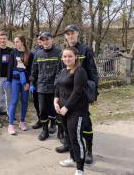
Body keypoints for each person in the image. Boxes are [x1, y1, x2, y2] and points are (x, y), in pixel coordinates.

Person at [55, 24, 98, 165]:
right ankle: (70, 146)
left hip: (81, 94)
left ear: (77, 34)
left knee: (85, 123)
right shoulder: (65, 52)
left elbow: (92, 71)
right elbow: (61, 73)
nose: (70, 36)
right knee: (66, 122)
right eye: (67, 34)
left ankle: (88, 151)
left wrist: (94, 92)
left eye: (72, 33)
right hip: (66, 94)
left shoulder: (86, 49)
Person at [55, 46, 88, 175]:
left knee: (76, 138)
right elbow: (58, 88)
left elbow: (77, 92)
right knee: (68, 136)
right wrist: (55, 101)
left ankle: (80, 169)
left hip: (77, 111)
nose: (67, 58)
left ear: (75, 57)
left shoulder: (80, 71)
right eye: (65, 56)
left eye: (70, 56)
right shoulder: (63, 71)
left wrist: (66, 107)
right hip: (62, 110)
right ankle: (72, 158)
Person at [30, 32, 62, 140]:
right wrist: (32, 83)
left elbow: (61, 71)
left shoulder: (59, 53)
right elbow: (34, 70)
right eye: (43, 40)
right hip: (41, 86)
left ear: (52, 39)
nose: (45, 42)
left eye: (47, 39)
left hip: (55, 86)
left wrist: (57, 84)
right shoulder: (38, 54)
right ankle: (45, 130)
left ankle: (58, 130)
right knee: (42, 109)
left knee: (55, 109)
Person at [5, 35, 34, 135]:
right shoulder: (13, 52)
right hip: (15, 80)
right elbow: (9, 67)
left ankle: (22, 121)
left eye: (17, 41)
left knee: (25, 101)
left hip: (25, 81)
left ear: (22, 42)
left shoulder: (30, 54)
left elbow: (31, 70)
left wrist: (29, 83)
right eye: (15, 42)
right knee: (14, 101)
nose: (15, 44)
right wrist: (8, 80)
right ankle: (11, 124)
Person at [31, 33, 43, 129]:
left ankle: (52, 122)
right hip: (37, 82)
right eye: (39, 39)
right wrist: (31, 82)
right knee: (37, 103)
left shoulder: (56, 52)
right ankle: (40, 120)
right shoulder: (34, 52)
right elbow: (32, 68)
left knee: (49, 104)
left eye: (42, 39)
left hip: (49, 83)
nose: (40, 41)